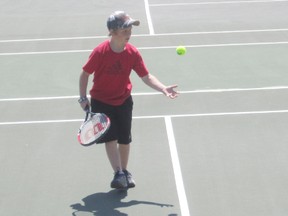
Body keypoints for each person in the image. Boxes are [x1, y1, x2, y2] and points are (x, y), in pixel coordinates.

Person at [78, 11, 178, 189]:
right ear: (113, 32)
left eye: (130, 29)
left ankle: (124, 171)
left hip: (123, 100)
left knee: (125, 139)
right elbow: (85, 73)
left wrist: (163, 88)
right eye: (125, 30)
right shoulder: (100, 52)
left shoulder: (132, 53)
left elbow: (146, 77)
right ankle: (118, 173)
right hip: (102, 101)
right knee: (111, 138)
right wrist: (83, 97)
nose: (129, 32)